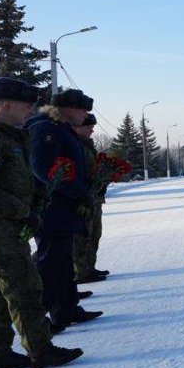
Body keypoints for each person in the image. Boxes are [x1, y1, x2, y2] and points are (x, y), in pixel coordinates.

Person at [0, 77, 83, 368]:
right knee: (25, 287)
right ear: (6, 104)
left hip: (8, 226)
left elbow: (19, 176)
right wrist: (21, 212)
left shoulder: (10, 135)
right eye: (26, 105)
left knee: (1, 292)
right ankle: (41, 350)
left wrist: (38, 193)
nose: (31, 109)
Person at [26, 89, 103, 330]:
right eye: (84, 110)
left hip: (62, 207)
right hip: (52, 207)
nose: (86, 116)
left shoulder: (60, 128)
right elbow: (44, 168)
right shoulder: (47, 128)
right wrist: (78, 191)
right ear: (69, 109)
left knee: (63, 260)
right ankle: (46, 318)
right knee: (50, 262)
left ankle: (67, 309)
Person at [71, 113, 108, 286]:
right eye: (89, 127)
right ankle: (79, 271)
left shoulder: (87, 145)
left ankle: (88, 267)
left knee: (94, 234)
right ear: (76, 126)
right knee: (81, 238)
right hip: (82, 198)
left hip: (94, 197)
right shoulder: (73, 145)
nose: (92, 131)